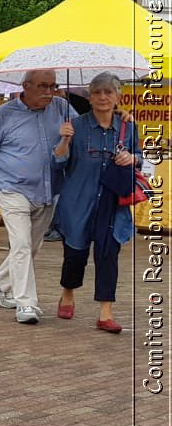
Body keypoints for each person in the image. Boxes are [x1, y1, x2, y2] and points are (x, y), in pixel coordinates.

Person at [0, 69, 74, 324]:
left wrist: (118, 117)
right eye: (42, 86)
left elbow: (87, 128)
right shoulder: (4, 115)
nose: (48, 92)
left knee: (32, 246)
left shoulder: (62, 108)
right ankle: (26, 304)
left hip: (49, 189)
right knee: (21, 245)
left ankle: (0, 281)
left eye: (53, 86)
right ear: (25, 86)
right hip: (12, 188)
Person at [54, 72, 141, 333]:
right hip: (78, 201)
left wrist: (133, 159)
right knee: (75, 254)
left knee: (108, 255)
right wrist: (64, 139)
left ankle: (105, 312)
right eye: (97, 92)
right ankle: (68, 292)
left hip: (113, 204)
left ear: (118, 97)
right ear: (89, 97)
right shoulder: (75, 126)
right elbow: (58, 161)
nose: (103, 97)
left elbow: (139, 156)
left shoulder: (128, 126)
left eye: (109, 92)